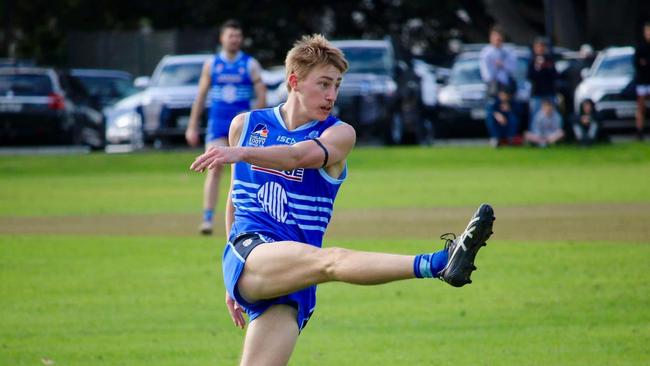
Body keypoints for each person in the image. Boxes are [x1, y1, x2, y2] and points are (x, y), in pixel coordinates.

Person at [190, 34, 495, 366]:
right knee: (330, 260)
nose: (331, 95)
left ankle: (441, 264)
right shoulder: (245, 124)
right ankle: (438, 263)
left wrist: (241, 152)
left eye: (336, 85)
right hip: (251, 249)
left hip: (295, 276)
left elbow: (296, 156)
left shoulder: (339, 134)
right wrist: (230, 281)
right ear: (294, 81)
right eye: (323, 84)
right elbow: (234, 202)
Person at [185, 19, 267, 235]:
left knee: (237, 172)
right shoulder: (212, 64)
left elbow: (262, 95)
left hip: (241, 128)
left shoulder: (250, 64)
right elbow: (201, 96)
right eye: (231, 35)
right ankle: (208, 219)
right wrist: (192, 125)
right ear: (222, 38)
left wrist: (252, 119)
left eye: (238, 36)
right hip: (217, 126)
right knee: (214, 167)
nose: (234, 39)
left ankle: (237, 220)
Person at [479, 25, 518, 98]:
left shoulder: (508, 51)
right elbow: (485, 71)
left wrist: (503, 65)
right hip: (493, 84)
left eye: (499, 37)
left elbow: (513, 68)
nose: (497, 39)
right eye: (495, 37)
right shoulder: (486, 53)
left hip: (506, 84)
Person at [527, 37, 558, 123]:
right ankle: (535, 134)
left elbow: (555, 75)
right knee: (535, 115)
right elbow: (530, 76)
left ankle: (551, 134)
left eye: (542, 46)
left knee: (551, 115)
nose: (540, 49)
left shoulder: (549, 59)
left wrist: (547, 66)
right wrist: (538, 67)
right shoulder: (532, 61)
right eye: (538, 46)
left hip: (549, 92)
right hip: (537, 92)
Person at [634, 21, 650, 141]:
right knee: (641, 107)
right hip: (642, 82)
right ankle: (639, 131)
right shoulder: (640, 47)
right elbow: (638, 64)